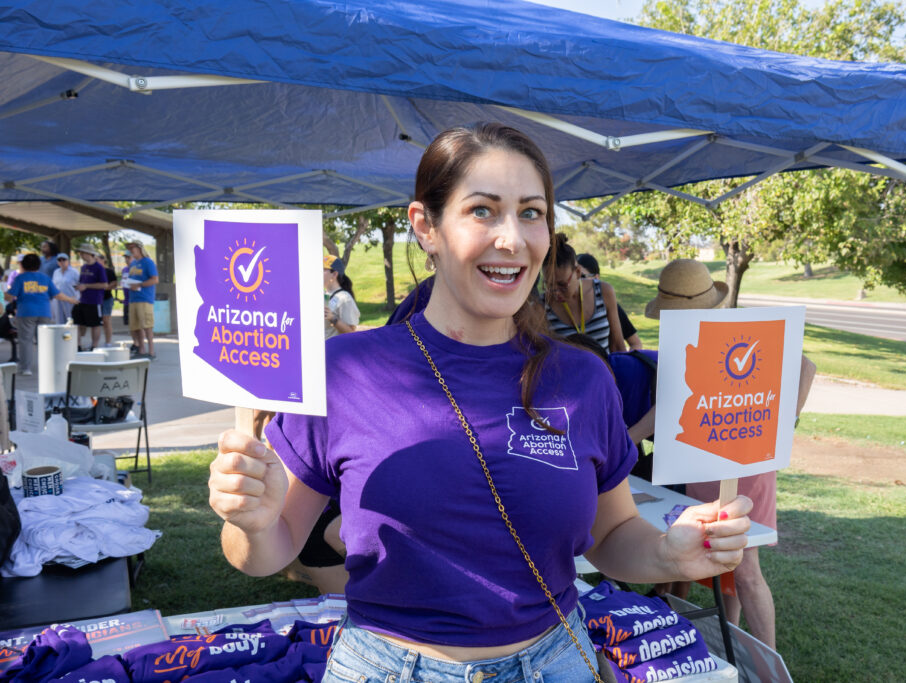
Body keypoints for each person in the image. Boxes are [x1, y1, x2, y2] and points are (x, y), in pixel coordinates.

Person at [208, 123, 752, 682]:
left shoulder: (583, 377)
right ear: (426, 227)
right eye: (483, 210)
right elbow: (265, 554)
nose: (512, 239)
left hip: (558, 663)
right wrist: (250, 520)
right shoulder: (343, 372)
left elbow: (612, 537)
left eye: (531, 213)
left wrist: (668, 553)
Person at [645, 258, 817, 651]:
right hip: (700, 458)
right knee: (718, 554)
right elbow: (673, 405)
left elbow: (805, 366)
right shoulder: (684, 337)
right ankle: (731, 642)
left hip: (744, 461)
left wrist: (778, 424)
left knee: (747, 570)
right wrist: (629, 435)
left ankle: (769, 664)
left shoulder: (737, 330)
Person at [544, 234, 627, 353]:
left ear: (577, 272)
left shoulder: (603, 291)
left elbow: (618, 346)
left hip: (604, 370)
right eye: (549, 285)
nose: (555, 292)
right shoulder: (542, 306)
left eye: (562, 285)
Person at [4, 253, 78, 375]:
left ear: (23, 264)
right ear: (39, 265)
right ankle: (48, 366)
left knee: (25, 340)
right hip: (44, 312)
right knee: (44, 340)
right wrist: (71, 300)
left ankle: (25, 368)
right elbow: (57, 294)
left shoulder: (20, 278)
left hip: (25, 312)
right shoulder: (45, 278)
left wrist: (3, 293)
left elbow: (10, 297)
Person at [577, 252, 644, 351]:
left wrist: (624, 363)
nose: (577, 282)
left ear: (596, 278)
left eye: (582, 277)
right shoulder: (558, 308)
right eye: (573, 277)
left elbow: (636, 343)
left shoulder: (609, 306)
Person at [124, 241, 158, 359]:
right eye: (129, 248)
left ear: (139, 248)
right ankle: (141, 349)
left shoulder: (148, 262)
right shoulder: (133, 264)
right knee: (135, 326)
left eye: (132, 248)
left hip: (144, 298)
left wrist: (140, 285)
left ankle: (151, 351)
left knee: (147, 325)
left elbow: (154, 279)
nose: (131, 250)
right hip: (133, 299)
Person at [72, 245, 108, 351]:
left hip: (94, 300)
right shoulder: (83, 267)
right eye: (81, 253)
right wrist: (79, 286)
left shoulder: (99, 267)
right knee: (77, 322)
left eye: (83, 253)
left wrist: (87, 286)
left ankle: (94, 346)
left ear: (90, 254)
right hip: (82, 299)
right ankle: (78, 345)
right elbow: (82, 281)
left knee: (95, 324)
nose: (82, 255)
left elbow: (105, 285)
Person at [322, 256, 360, 338]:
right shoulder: (322, 295)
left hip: (334, 349)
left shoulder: (345, 298)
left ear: (334, 274)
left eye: (323, 270)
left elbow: (351, 332)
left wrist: (332, 318)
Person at [50, 253, 79, 324]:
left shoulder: (74, 272)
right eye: (59, 260)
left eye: (64, 259)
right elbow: (54, 285)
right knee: (59, 320)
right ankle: (60, 335)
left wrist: (77, 298)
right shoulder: (56, 272)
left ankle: (70, 334)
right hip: (58, 299)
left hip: (70, 299)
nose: (62, 261)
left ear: (68, 261)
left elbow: (79, 285)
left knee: (70, 320)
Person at [96, 253, 117, 346]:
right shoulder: (93, 271)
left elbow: (115, 283)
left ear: (103, 260)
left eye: (97, 260)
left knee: (106, 320)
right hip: (95, 300)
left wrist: (104, 287)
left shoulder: (109, 271)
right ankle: (95, 343)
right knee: (95, 322)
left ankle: (108, 342)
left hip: (106, 299)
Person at [120, 252, 133, 327]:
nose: (126, 260)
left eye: (129, 257)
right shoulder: (124, 269)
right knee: (127, 323)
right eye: (126, 258)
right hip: (126, 300)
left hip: (134, 300)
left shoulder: (137, 269)